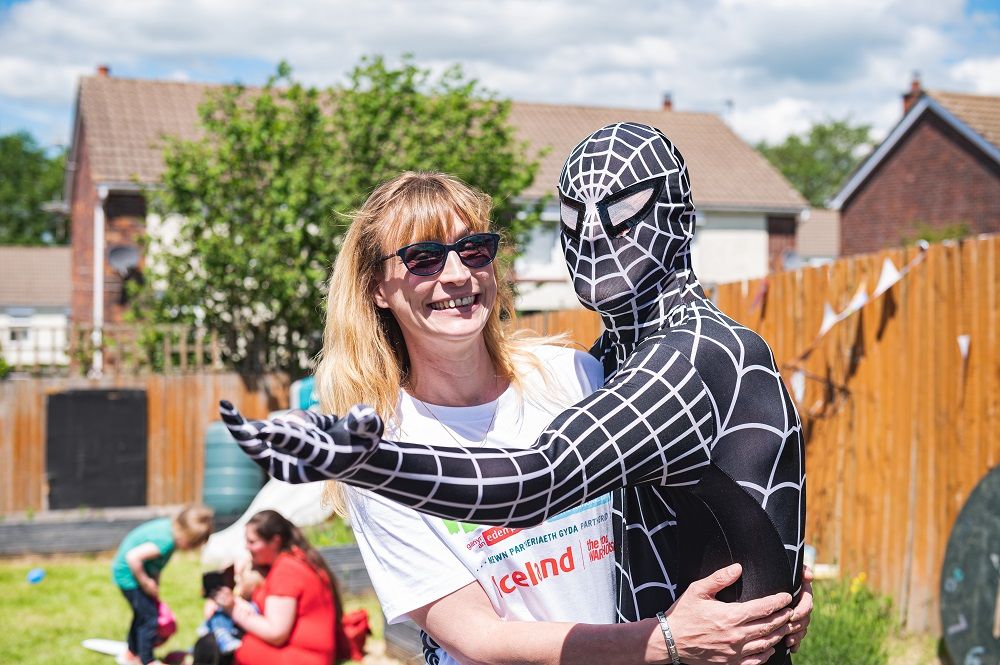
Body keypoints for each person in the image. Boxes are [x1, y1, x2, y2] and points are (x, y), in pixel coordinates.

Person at [222, 170, 809, 664]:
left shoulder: (578, 377)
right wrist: (664, 643)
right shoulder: (387, 444)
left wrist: (767, 586)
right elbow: (482, 635)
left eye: (473, 250)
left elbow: (684, 507)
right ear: (377, 287)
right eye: (422, 259)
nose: (455, 275)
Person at [207, 510, 346, 665]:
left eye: (252, 542)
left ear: (275, 541)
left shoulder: (287, 570)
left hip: (302, 657)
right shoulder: (298, 558)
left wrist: (232, 609)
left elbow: (276, 633)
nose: (247, 547)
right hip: (312, 654)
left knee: (211, 645)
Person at [112, 505, 215, 665]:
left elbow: (155, 564)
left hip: (134, 576)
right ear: (185, 537)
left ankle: (132, 653)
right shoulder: (165, 541)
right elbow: (133, 557)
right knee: (150, 619)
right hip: (129, 577)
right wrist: (145, 583)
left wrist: (154, 583)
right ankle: (147, 660)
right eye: (191, 544)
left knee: (142, 614)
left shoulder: (170, 530)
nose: (188, 549)